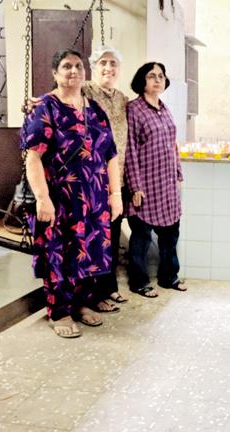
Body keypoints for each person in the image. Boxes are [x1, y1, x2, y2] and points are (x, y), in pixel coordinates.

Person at [21, 48, 122, 338]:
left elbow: (111, 154)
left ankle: (82, 303)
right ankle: (60, 311)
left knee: (88, 252)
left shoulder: (94, 110)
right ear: (55, 73)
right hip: (59, 199)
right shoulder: (46, 108)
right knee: (58, 255)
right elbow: (34, 157)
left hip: (94, 200)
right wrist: (42, 198)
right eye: (66, 66)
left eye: (78, 66)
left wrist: (115, 194)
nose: (74, 71)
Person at [125, 62, 186, 297]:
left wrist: (178, 173)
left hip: (167, 184)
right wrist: (135, 187)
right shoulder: (134, 109)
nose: (157, 80)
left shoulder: (164, 107)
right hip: (146, 186)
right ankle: (139, 282)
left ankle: (169, 277)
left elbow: (172, 144)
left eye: (161, 76)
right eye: (152, 76)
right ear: (142, 81)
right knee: (141, 237)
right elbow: (130, 149)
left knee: (171, 234)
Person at [83, 47, 130, 307]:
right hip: (91, 180)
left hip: (117, 180)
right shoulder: (85, 91)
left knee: (111, 236)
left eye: (113, 63)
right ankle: (92, 293)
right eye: (103, 63)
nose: (108, 68)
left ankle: (108, 287)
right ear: (94, 67)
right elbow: (56, 99)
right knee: (93, 239)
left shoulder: (123, 99)